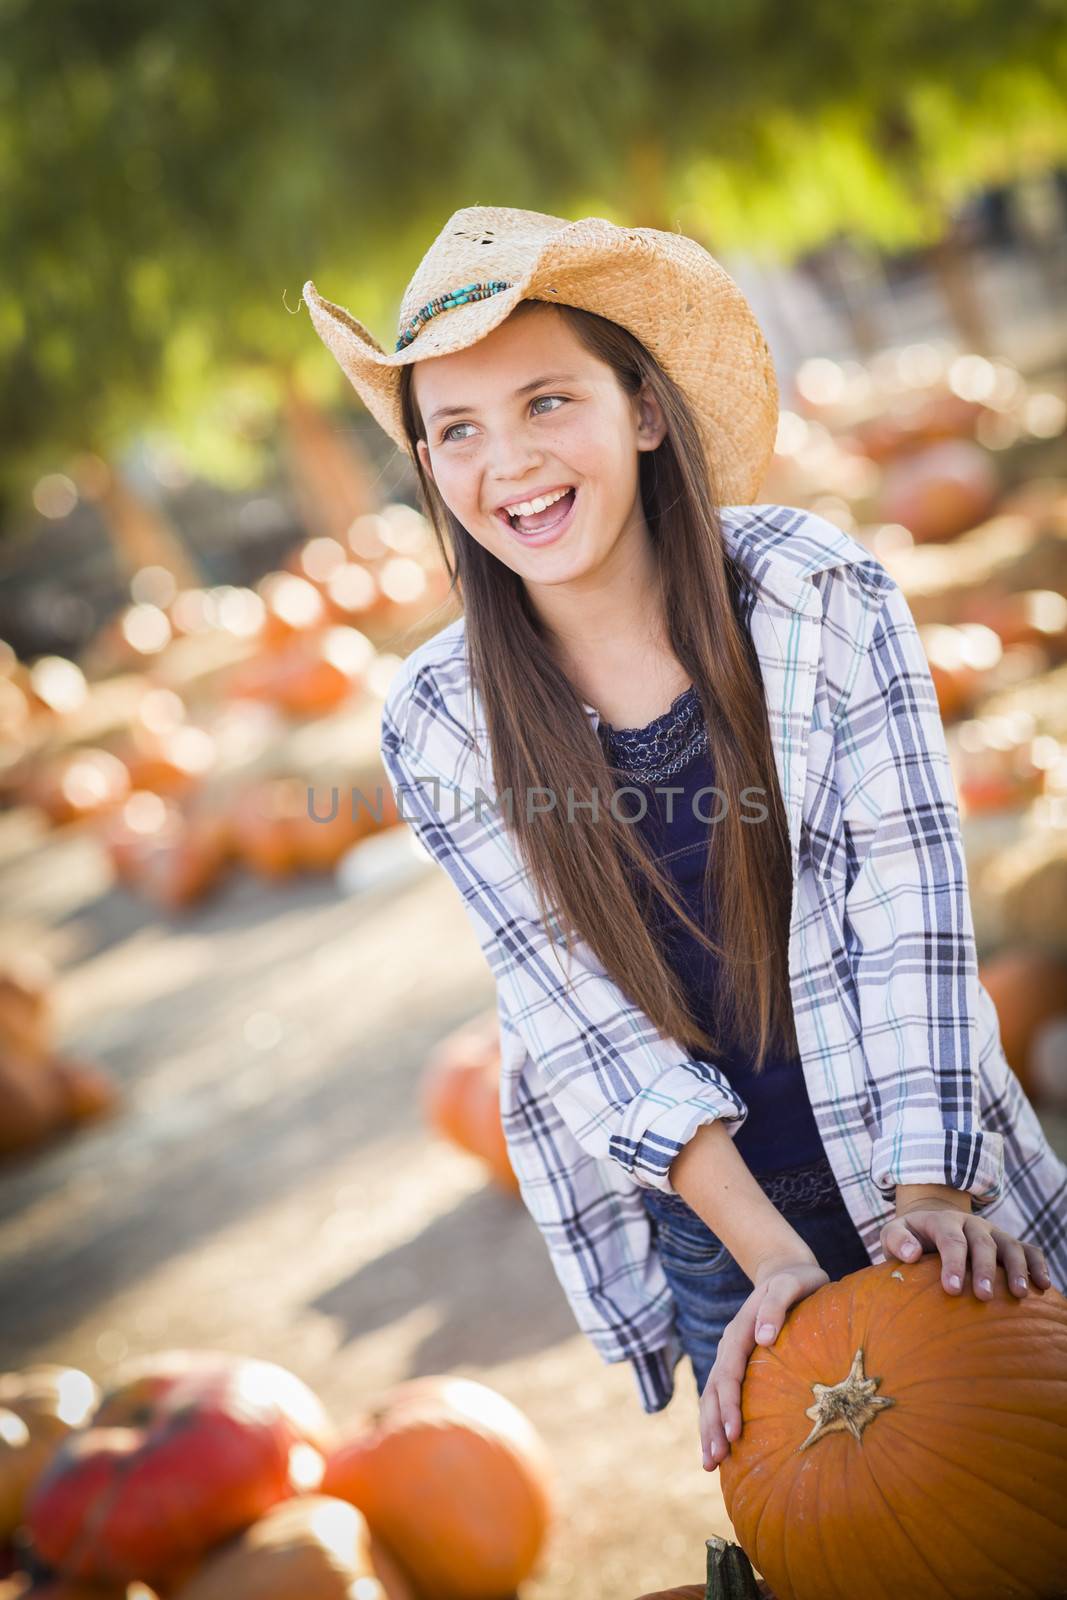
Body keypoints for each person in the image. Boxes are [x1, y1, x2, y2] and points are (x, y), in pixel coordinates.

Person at [302, 205, 1064, 1476]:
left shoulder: (814, 590)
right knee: (845, 1531)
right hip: (717, 1230)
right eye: (457, 429)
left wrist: (929, 1194)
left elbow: (907, 898)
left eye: (548, 402)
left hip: (923, 1148)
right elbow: (572, 1011)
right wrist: (768, 1253)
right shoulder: (440, 718)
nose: (509, 463)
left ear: (642, 410)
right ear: (428, 466)